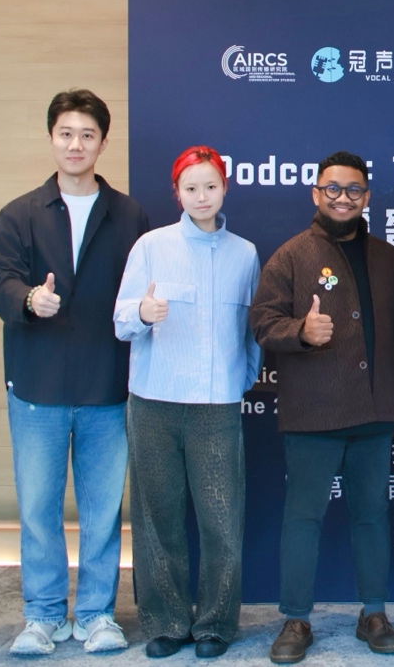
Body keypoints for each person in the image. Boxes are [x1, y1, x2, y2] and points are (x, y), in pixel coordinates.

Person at [0, 89, 148, 657]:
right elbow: (0, 280)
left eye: (87, 135)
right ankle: (44, 615)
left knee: (103, 512)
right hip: (38, 386)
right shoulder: (20, 213)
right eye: (66, 133)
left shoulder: (129, 215)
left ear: (102, 143)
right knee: (38, 510)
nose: (76, 144)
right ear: (51, 138)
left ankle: (98, 614)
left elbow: (140, 293)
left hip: (107, 385)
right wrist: (29, 298)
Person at [250, 151, 394, 665]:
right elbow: (262, 323)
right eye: (333, 189)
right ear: (316, 193)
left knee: (372, 516)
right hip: (313, 413)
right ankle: (296, 619)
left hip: (375, 411)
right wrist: (299, 330)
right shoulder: (291, 255)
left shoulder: (389, 258)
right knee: (303, 517)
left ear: (367, 196)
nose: (344, 198)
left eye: (354, 190)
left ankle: (374, 613)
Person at [113, 146, 261, 659]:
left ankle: (216, 624)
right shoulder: (151, 246)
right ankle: (166, 622)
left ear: (225, 188)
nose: (202, 196)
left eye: (210, 186)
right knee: (158, 519)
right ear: (176, 192)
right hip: (154, 401)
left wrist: (239, 381)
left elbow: (251, 331)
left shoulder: (245, 253)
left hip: (216, 406)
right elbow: (121, 321)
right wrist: (144, 312)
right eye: (191, 188)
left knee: (222, 521)